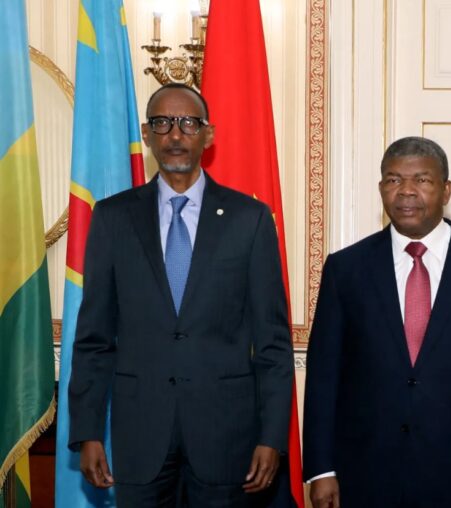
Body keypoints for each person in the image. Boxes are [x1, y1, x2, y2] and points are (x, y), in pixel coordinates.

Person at [67, 83, 295, 507]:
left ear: (208, 136)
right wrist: (88, 432)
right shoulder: (113, 218)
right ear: (147, 133)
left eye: (188, 123)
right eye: (162, 123)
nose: (175, 135)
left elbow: (273, 344)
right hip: (140, 439)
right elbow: (94, 337)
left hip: (227, 441)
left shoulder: (250, 219)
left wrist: (272, 438)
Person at [303, 136, 451, 507]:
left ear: (446, 190)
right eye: (393, 180)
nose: (406, 191)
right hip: (364, 475)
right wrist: (320, 469)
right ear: (381, 189)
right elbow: (324, 376)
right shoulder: (345, 270)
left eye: (422, 180)